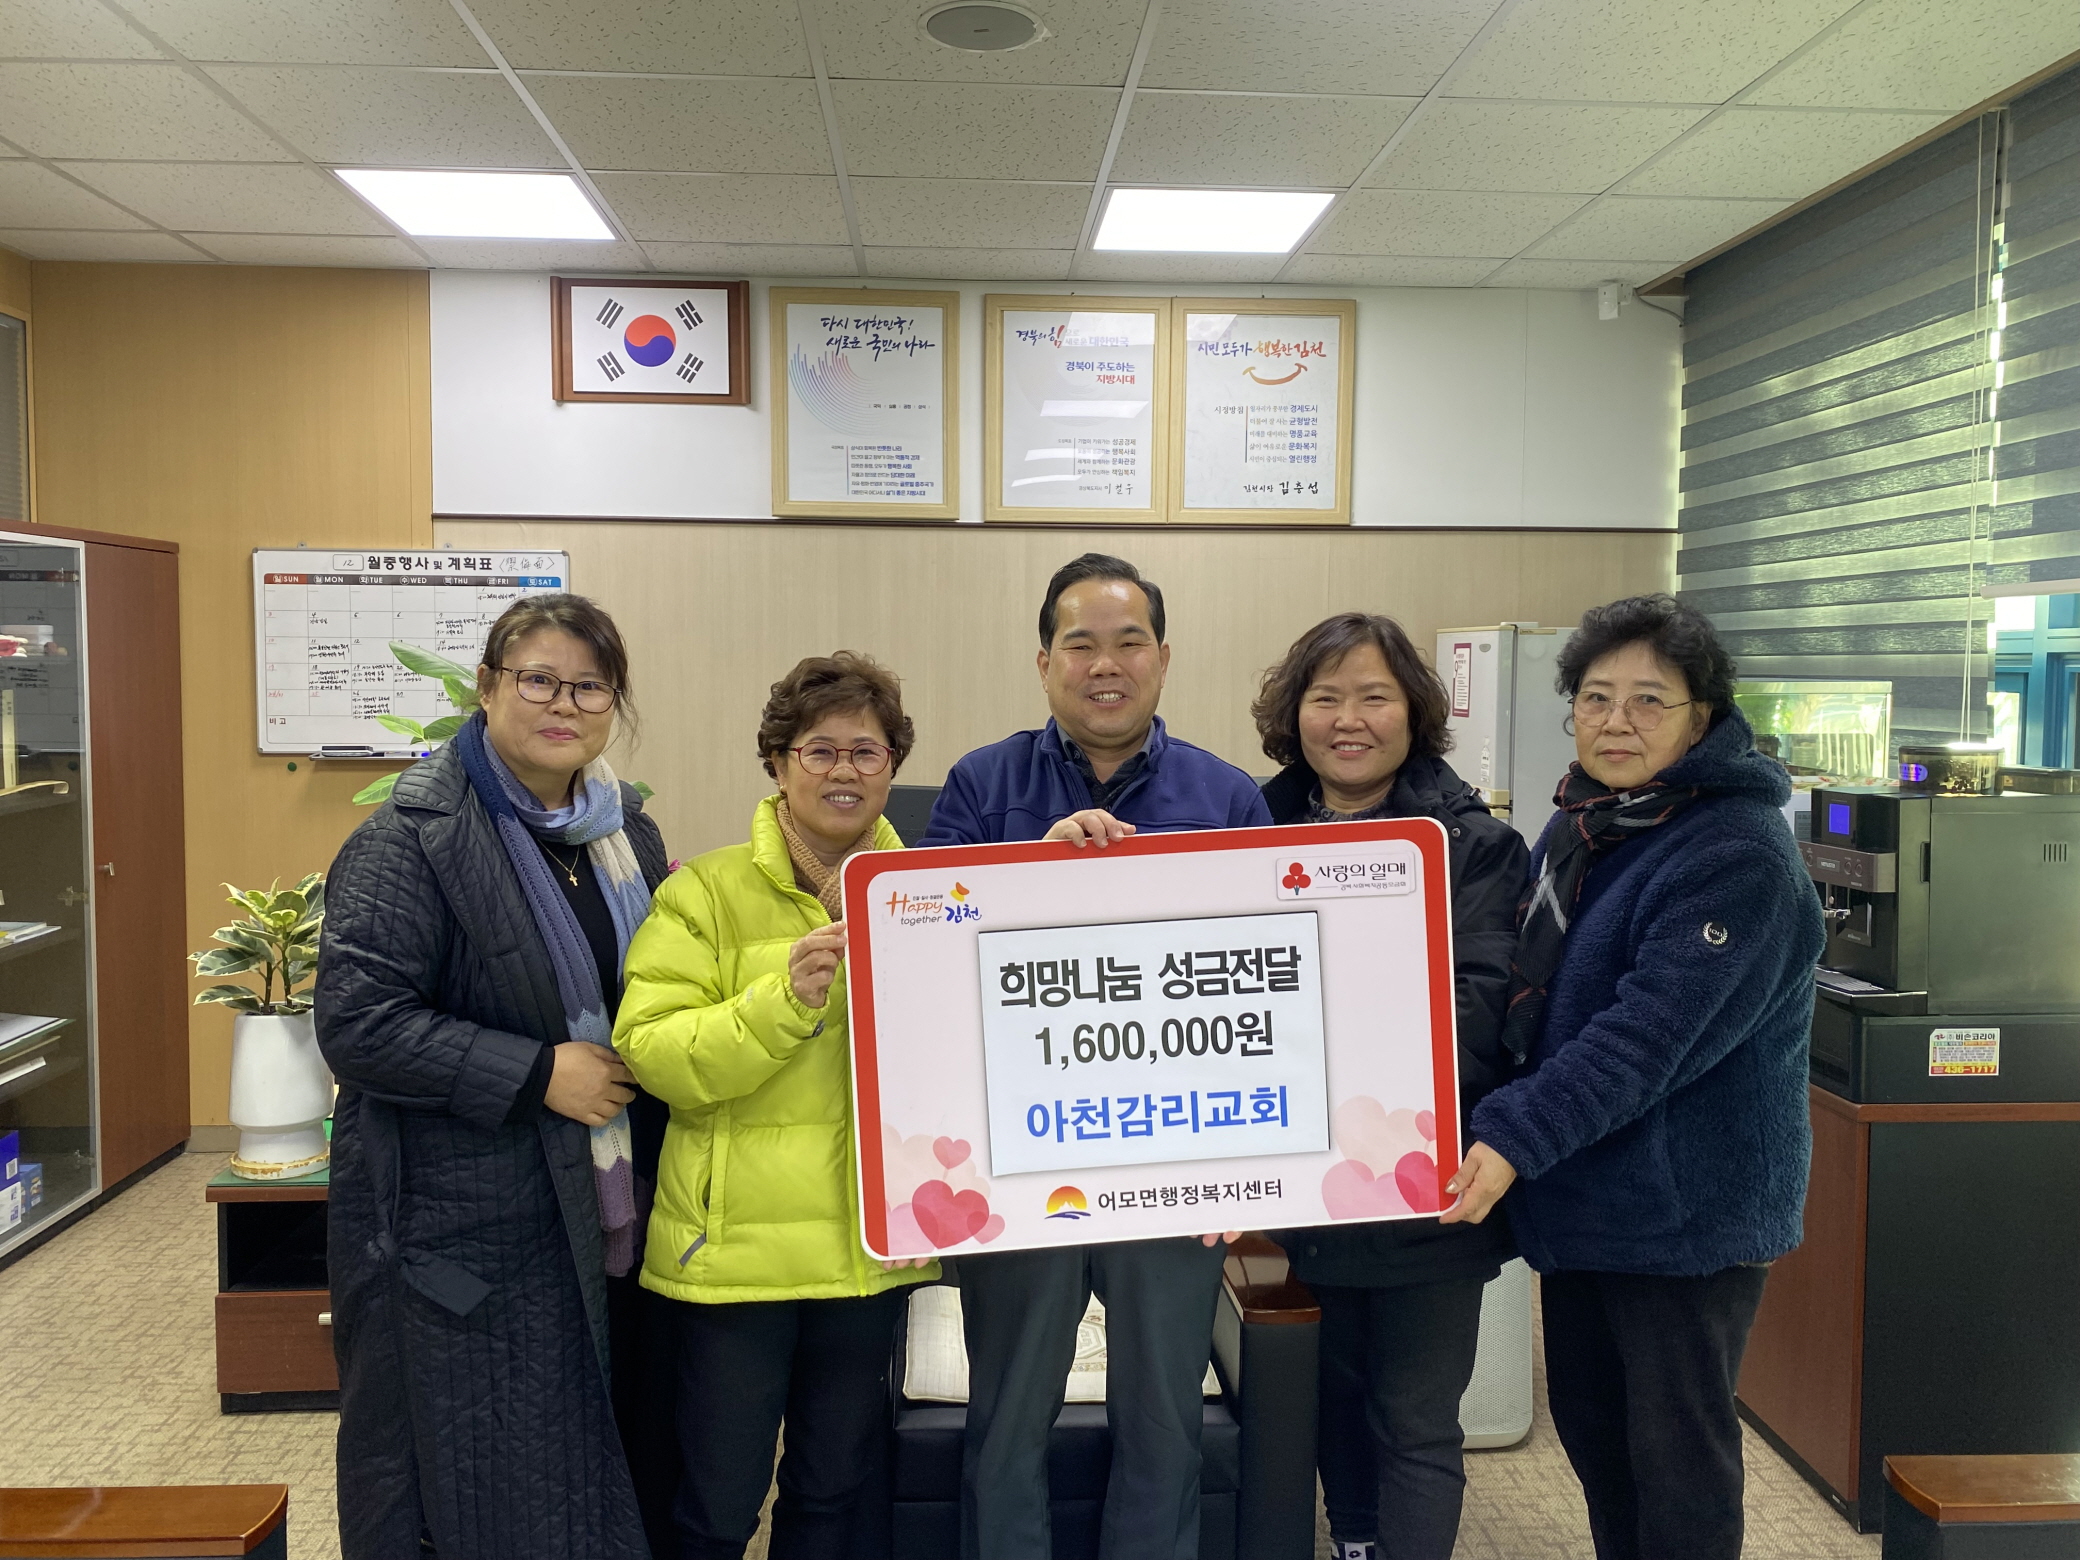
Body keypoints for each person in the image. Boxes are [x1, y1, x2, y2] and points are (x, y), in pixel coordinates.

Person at [1440, 594, 1824, 1560]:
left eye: (1651, 699)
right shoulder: (1589, 823)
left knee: (1677, 1467)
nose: (1618, 721)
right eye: (1596, 697)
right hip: (1590, 1201)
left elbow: (1643, 1039)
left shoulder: (1737, 853)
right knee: (1601, 1445)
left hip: (1684, 1218)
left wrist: (1511, 1134)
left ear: (1703, 718)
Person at [920, 552, 1271, 1560]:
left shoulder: (1227, 795)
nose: (1105, 665)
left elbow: (1265, 993)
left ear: (1163, 657)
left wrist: (1250, 1165)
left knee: (1163, 1417)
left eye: (1129, 642)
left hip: (1174, 1155)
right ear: (1045, 663)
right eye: (1081, 644)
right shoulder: (982, 785)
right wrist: (1033, 870)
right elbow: (928, 958)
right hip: (1018, 1154)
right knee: (1007, 1417)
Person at [317, 593, 669, 1560]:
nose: (564, 705)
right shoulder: (412, 836)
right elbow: (359, 1024)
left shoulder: (625, 837)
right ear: (486, 686)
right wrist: (535, 1073)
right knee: (490, 1483)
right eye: (539, 680)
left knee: (586, 1460)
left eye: (589, 687)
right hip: (464, 1220)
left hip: (595, 1195)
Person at [614, 651, 938, 1560]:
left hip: (868, 1254)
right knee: (715, 1505)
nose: (844, 771)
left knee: (832, 1496)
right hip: (733, 1260)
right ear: (777, 762)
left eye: (867, 752)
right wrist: (782, 1000)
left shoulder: (933, 894)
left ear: (892, 766)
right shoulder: (703, 891)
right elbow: (654, 1053)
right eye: (819, 750)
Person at [1253, 613, 1528, 1560]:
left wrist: (1320, 1062)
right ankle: (1356, 1543)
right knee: (1328, 1398)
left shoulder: (1475, 846)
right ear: (1294, 715)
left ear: (1414, 712)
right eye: (1326, 697)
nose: (1349, 720)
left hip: (1426, 1188)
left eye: (1374, 697)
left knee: (1414, 1417)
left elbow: (1479, 1013)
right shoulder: (1249, 829)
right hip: (1296, 1185)